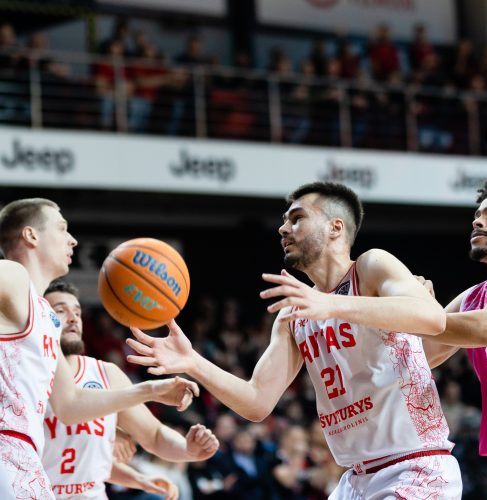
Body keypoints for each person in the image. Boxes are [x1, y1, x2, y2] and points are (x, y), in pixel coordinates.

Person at [126, 182, 462, 499]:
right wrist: (194, 363)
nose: (283, 229)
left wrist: (330, 303)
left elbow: (432, 317)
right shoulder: (295, 314)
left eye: (297, 218)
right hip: (356, 480)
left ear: (335, 227)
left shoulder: (370, 267)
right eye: (284, 221)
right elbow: (257, 401)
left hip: (416, 465)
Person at [0, 198, 198, 499]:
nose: (72, 239)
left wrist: (151, 391)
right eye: (62, 228)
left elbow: (71, 405)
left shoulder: (45, 318)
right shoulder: (14, 277)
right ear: (31, 236)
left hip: (24, 459)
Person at [42, 280, 220, 499]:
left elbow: (154, 435)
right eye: (60, 310)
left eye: (77, 312)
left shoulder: (106, 374)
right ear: (40, 319)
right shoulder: (22, 376)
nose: (72, 318)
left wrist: (188, 450)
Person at [421, 174, 487, 490]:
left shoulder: (482, 315)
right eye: (477, 216)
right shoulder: (473, 299)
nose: (479, 222)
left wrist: (413, 316)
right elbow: (423, 354)